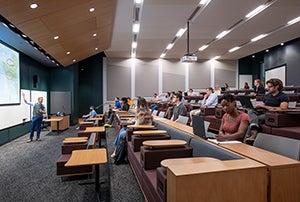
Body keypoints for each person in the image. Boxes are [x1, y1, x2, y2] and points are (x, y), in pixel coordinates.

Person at [245, 78, 289, 144]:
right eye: (267, 86)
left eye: (270, 87)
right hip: (262, 112)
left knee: (255, 119)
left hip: (272, 114)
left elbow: (283, 109)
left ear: (277, 86)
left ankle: (249, 137)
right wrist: (257, 106)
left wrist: (265, 106)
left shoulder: (283, 96)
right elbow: (262, 104)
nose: (268, 88)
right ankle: (251, 135)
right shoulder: (267, 96)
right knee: (250, 111)